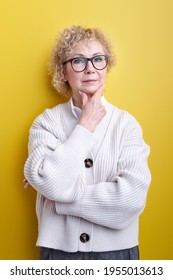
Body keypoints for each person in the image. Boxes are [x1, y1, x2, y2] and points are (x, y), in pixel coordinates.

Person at [24, 25, 151, 260]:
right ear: (63, 72)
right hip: (59, 254)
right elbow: (50, 181)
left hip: (118, 255)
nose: (90, 69)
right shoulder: (46, 123)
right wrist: (85, 126)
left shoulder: (127, 124)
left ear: (106, 66)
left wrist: (60, 200)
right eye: (79, 61)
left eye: (98, 59)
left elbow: (130, 200)